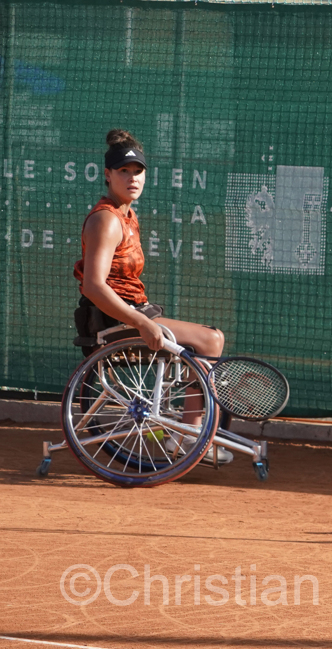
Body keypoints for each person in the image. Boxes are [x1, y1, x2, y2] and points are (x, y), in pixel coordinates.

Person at [72, 129, 231, 463]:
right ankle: (191, 436)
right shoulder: (106, 220)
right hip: (112, 321)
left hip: (131, 312)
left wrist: (142, 317)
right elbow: (93, 285)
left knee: (206, 343)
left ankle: (189, 432)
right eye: (124, 172)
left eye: (138, 171)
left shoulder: (129, 215)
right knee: (211, 341)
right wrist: (142, 323)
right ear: (108, 175)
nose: (132, 178)